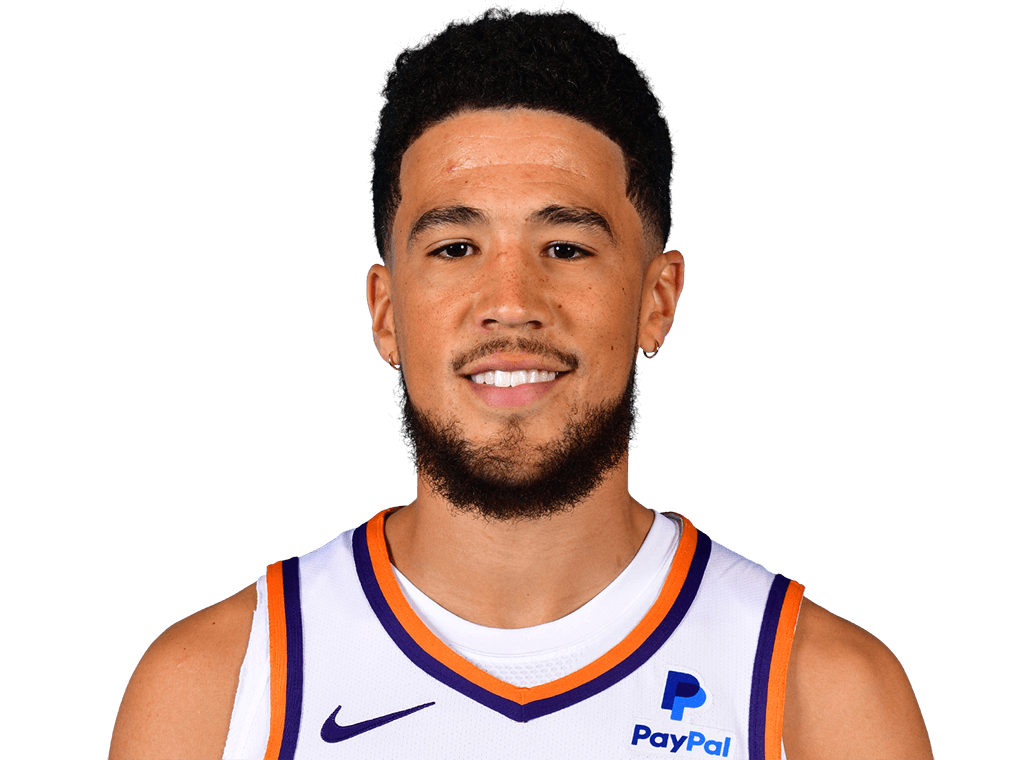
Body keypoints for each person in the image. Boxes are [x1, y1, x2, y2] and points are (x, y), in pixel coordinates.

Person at [109, 6, 933, 759]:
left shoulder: (826, 692)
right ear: (386, 314)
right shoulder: (216, 688)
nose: (510, 302)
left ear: (658, 301)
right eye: (455, 248)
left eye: (566, 248)